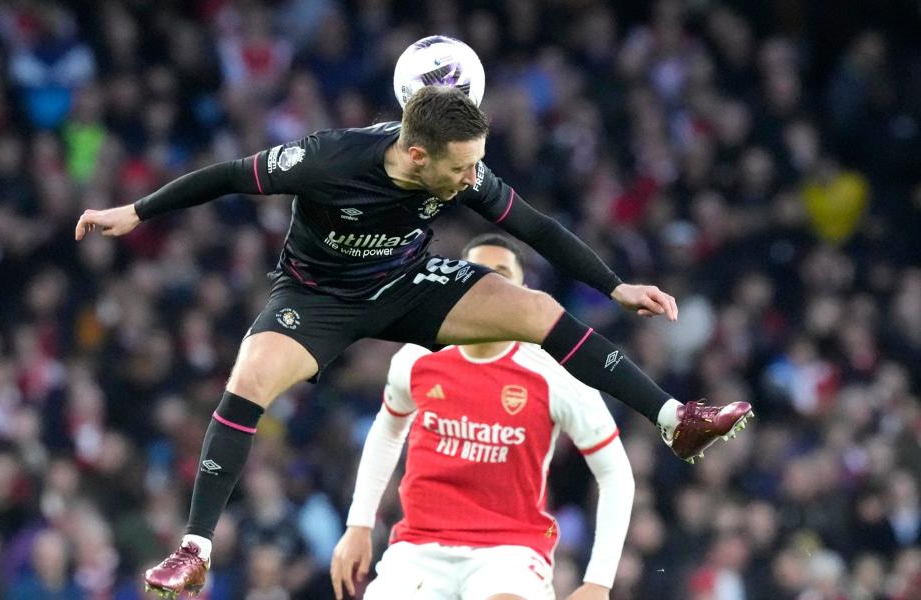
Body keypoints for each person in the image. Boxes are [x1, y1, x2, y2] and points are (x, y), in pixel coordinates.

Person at [74, 86, 752, 598]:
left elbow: (538, 229)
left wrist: (614, 287)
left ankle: (674, 420)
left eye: (476, 168)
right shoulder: (328, 158)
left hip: (407, 282)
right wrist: (134, 212)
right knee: (249, 376)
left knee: (540, 309)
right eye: (460, 170)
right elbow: (226, 176)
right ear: (417, 153)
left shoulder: (463, 168)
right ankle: (195, 552)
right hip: (319, 300)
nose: (471, 181)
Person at [329, 234, 635, 600]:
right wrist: (359, 523)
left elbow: (615, 471)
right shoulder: (418, 357)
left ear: (523, 290)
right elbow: (388, 428)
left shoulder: (557, 372)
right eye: (477, 272)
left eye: (502, 274)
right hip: (419, 547)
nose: (489, 284)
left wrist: (599, 581)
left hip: (510, 552)